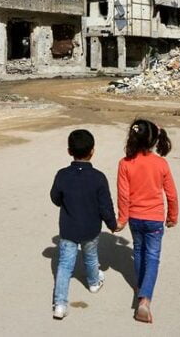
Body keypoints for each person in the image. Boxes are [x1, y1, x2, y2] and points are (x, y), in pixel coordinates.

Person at [114, 119, 178, 324]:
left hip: (134, 217)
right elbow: (172, 195)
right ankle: (144, 300)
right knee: (152, 258)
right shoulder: (161, 163)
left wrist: (122, 219)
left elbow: (123, 195)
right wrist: (172, 217)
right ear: (153, 140)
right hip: (154, 219)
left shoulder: (124, 163)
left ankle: (141, 287)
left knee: (139, 252)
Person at [49, 129, 117, 320]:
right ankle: (94, 283)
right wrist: (112, 224)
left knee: (64, 266)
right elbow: (105, 206)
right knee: (90, 256)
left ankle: (60, 304)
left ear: (69, 151)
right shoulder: (98, 177)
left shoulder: (62, 175)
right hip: (91, 228)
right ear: (92, 151)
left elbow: (55, 198)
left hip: (69, 228)